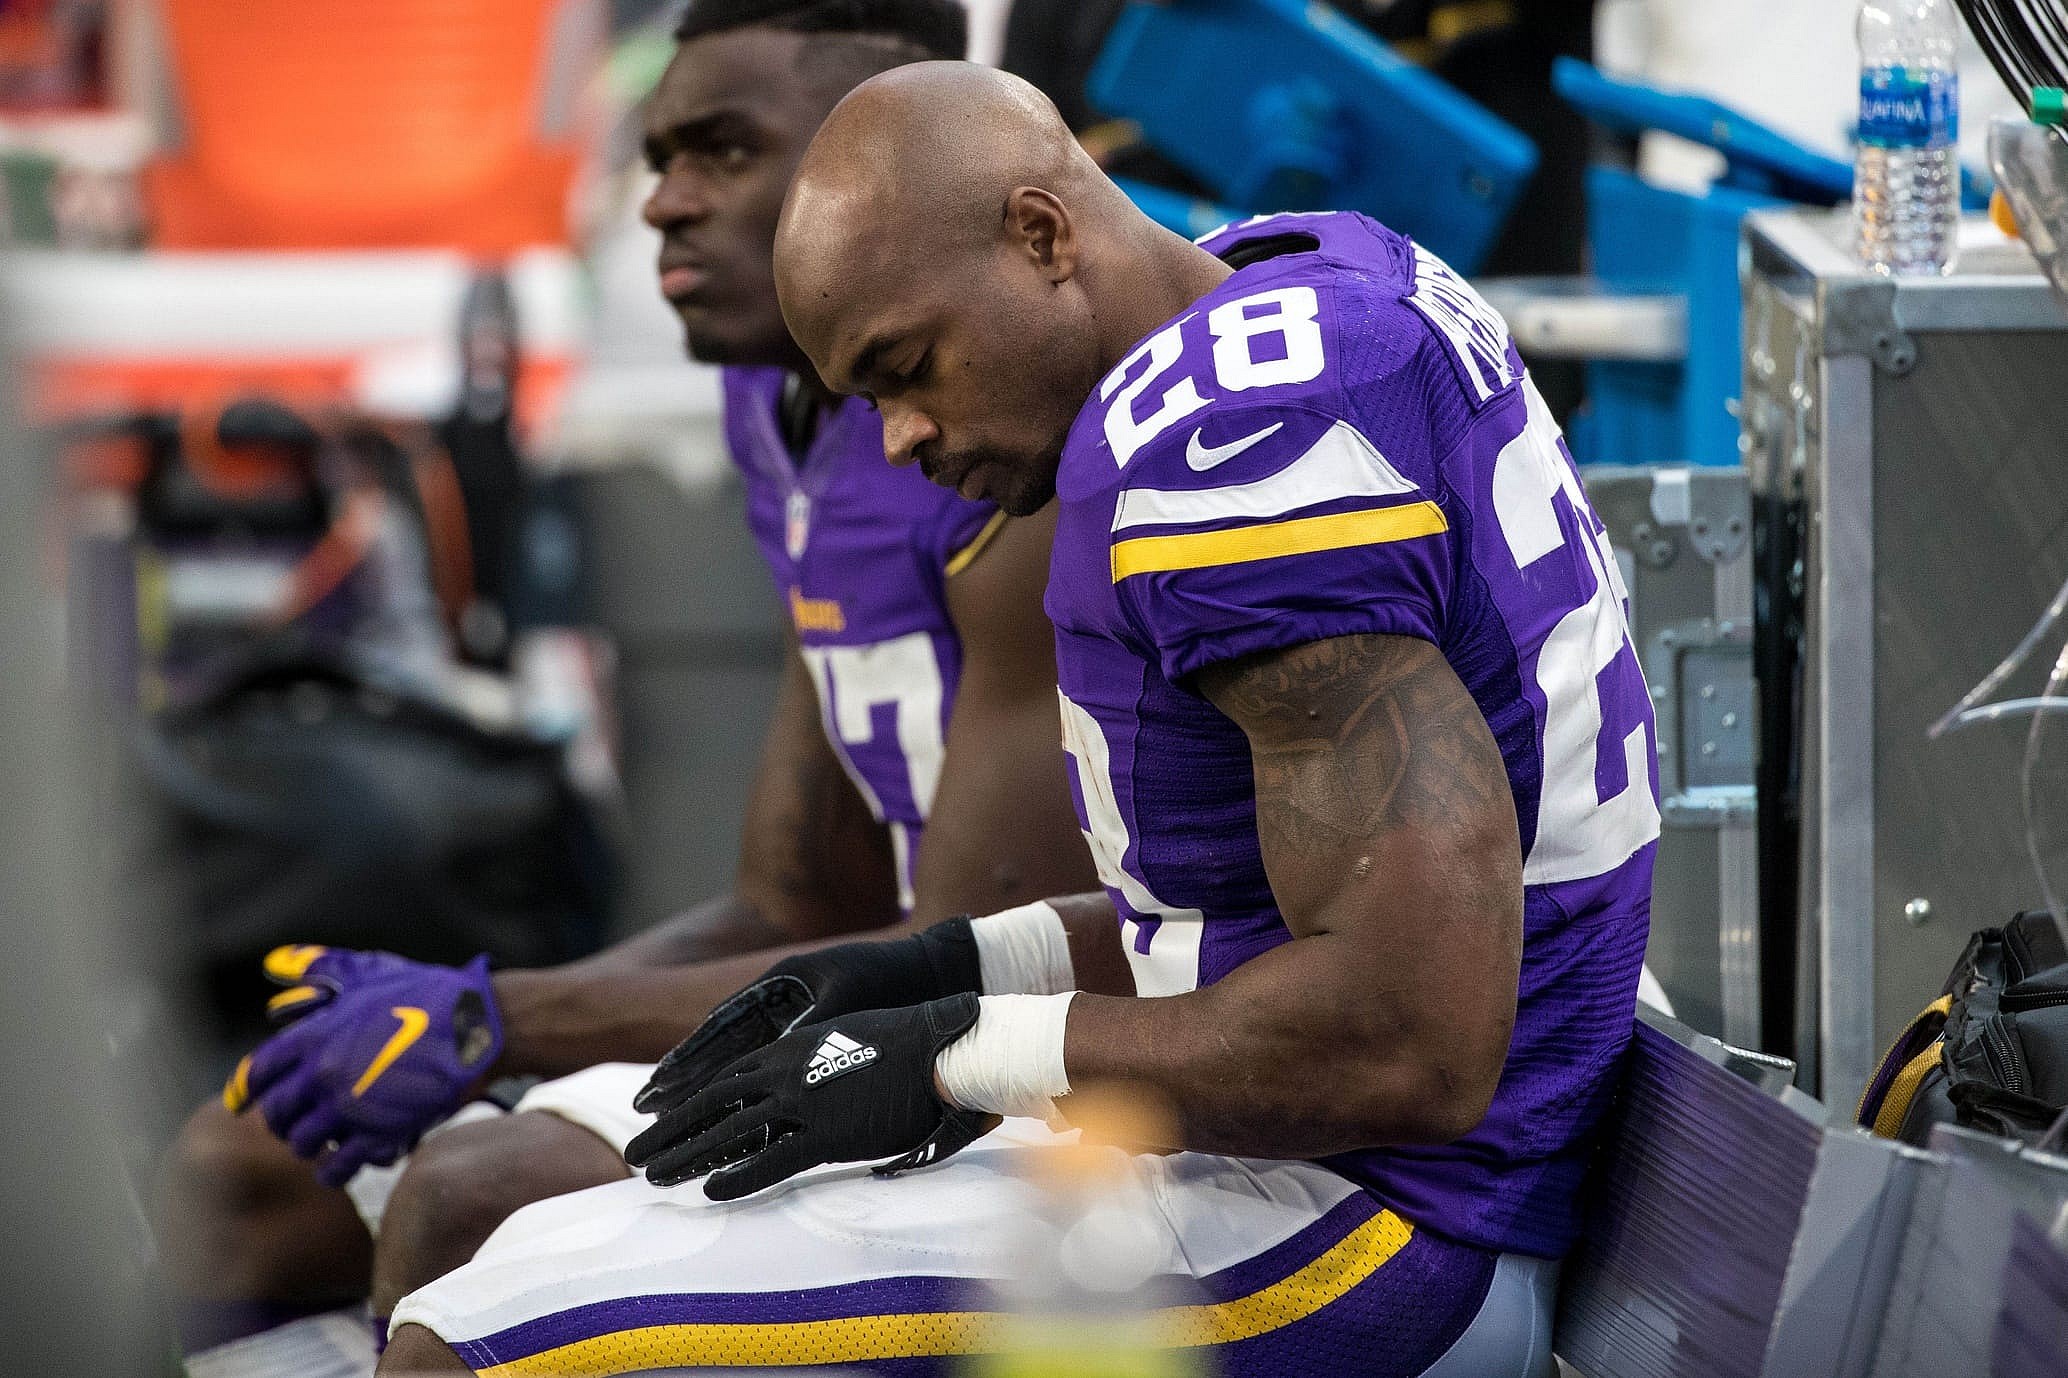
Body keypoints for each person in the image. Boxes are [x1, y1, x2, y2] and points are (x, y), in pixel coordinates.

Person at [378, 61, 1659, 1378]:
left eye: (907, 367)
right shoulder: (1300, 276)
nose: (901, 437)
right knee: (493, 1226)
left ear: (1043, 235)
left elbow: (1408, 1038)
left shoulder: (1230, 447)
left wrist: (957, 1055)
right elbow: (1242, 927)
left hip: (1383, 1224)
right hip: (1336, 1170)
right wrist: (957, 970)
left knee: (470, 1342)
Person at [155, 6, 1096, 1360]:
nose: (665, 202)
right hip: (827, 1007)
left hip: (974, 1061)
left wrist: (501, 1018)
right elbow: (796, 895)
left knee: (473, 1198)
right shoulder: (785, 415)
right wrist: (468, 1001)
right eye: (658, 154)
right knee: (236, 1165)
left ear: (878, 145)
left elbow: (973, 954)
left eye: (721, 149)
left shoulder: (1009, 444)